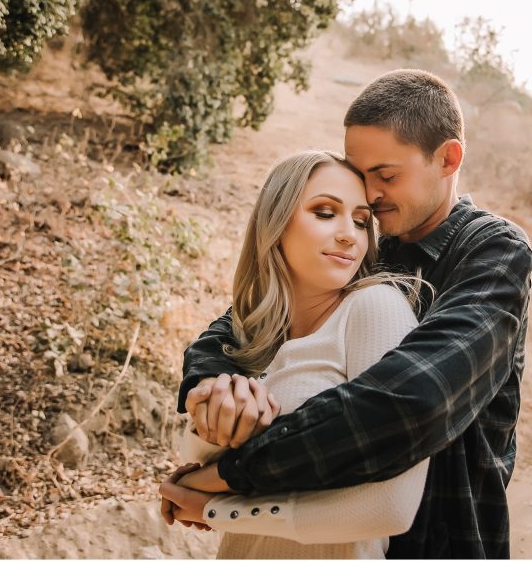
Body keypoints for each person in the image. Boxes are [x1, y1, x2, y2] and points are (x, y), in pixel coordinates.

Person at [173, 69, 532, 558]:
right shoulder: (366, 246)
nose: (370, 194)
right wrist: (214, 382)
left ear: (448, 158)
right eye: (362, 175)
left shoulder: (491, 251)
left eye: (386, 175)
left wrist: (232, 477)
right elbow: (241, 322)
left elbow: (411, 401)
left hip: (443, 536)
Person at [159, 149, 430, 558]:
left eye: (360, 221)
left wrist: (220, 509)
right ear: (276, 221)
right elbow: (194, 467)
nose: (349, 235)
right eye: (325, 213)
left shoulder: (375, 308)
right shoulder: (253, 335)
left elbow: (389, 507)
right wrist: (209, 406)